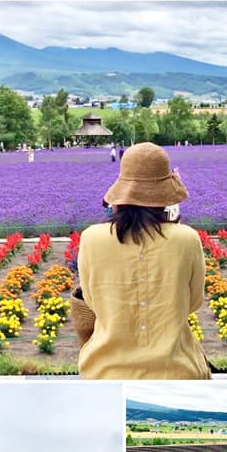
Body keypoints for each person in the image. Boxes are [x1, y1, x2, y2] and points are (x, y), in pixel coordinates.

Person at [77, 142, 210, 379]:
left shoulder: (91, 238)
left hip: (105, 372)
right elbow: (193, 302)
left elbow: (91, 301)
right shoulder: (187, 239)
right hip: (176, 372)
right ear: (165, 195)